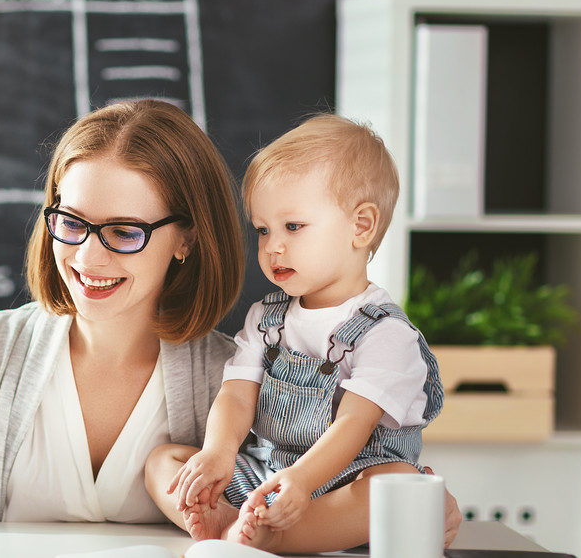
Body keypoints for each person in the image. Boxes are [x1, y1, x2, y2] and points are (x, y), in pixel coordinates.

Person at [0, 98, 246, 544]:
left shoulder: (236, 381)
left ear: (187, 239)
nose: (87, 257)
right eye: (71, 222)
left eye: (124, 232)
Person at [144, 113, 447, 553]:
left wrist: (302, 482)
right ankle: (235, 520)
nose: (272, 247)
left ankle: (271, 536)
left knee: (397, 484)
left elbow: (354, 425)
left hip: (343, 481)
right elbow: (236, 394)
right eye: (263, 230)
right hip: (268, 474)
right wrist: (218, 453)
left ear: (360, 226)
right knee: (163, 461)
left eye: (293, 227)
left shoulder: (386, 334)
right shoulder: (266, 318)